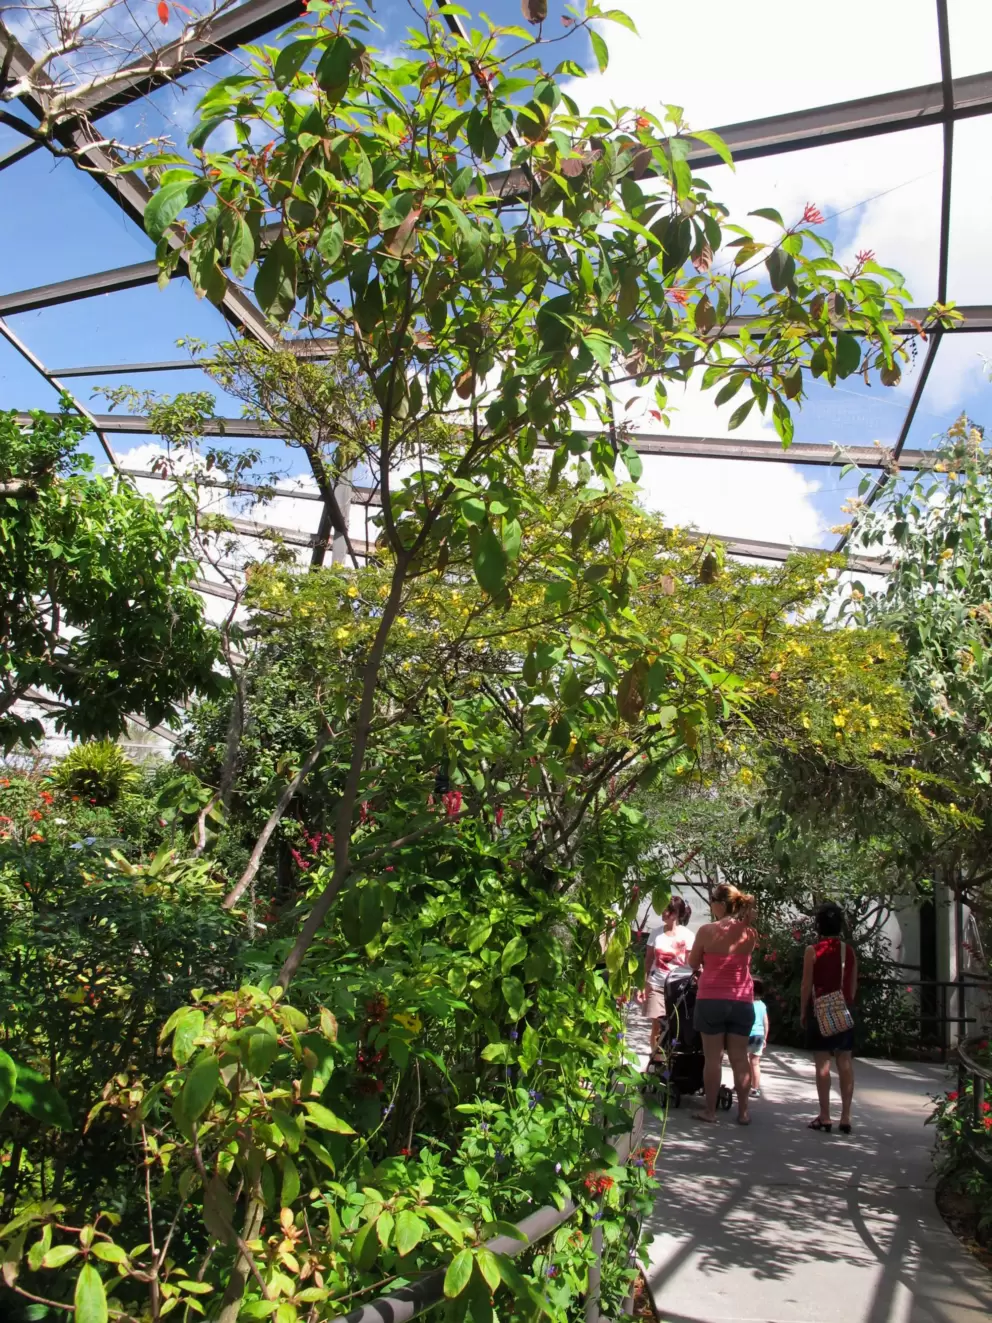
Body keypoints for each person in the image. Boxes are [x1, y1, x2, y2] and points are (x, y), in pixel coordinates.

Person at [687, 883, 758, 1125]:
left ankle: (710, 1111)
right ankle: (744, 1112)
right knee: (740, 1058)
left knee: (713, 1058)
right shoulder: (749, 933)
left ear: (719, 905)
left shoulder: (707, 931)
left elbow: (693, 963)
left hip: (711, 999)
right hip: (742, 1000)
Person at [799, 901, 858, 1134]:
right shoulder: (848, 951)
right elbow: (852, 985)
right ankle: (846, 1116)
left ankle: (824, 1115)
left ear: (818, 924)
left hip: (820, 1009)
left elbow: (806, 984)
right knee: (845, 1060)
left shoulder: (812, 950)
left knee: (822, 1062)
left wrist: (804, 1010)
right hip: (844, 1008)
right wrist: (847, 1002)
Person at [639, 898, 693, 1058]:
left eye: (667, 910)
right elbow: (648, 960)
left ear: (676, 914)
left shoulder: (689, 936)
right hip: (656, 984)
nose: (663, 913)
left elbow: (691, 964)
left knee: (675, 1026)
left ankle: (671, 1060)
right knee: (657, 1024)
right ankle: (656, 1061)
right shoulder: (656, 934)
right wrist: (644, 983)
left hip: (678, 988)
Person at [748, 978, 770, 1098]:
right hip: (758, 1036)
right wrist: (765, 1037)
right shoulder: (762, 1005)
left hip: (747, 1034)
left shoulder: (747, 1004)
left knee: (743, 1061)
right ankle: (755, 1088)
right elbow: (765, 1022)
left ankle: (742, 1084)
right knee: (755, 1063)